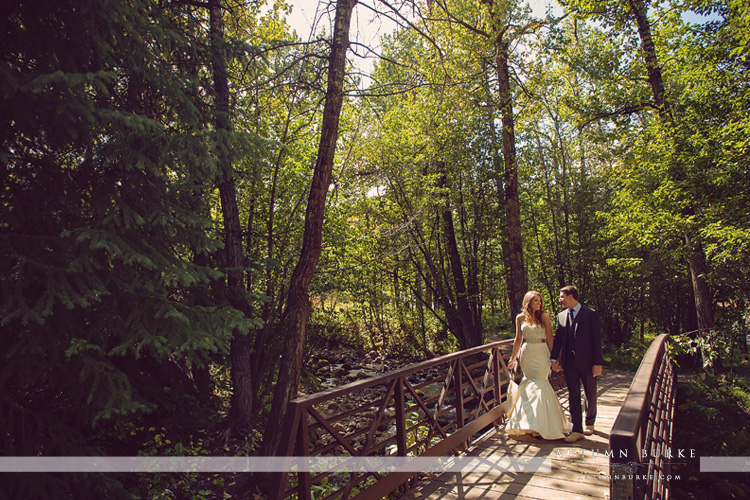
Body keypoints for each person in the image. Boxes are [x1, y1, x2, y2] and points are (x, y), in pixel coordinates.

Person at [505, 291, 572, 440]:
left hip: (541, 353)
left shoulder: (544, 316)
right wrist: (513, 358)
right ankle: (529, 423)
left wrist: (554, 358)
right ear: (528, 301)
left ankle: (542, 425)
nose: (539, 303)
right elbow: (517, 340)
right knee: (528, 385)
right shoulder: (520, 318)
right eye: (536, 301)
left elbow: (550, 338)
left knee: (540, 384)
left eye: (540, 301)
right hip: (527, 353)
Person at [550, 285, 604, 443]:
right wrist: (554, 359)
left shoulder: (590, 314)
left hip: (588, 362)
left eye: (562, 297)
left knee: (590, 392)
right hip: (569, 363)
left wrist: (598, 362)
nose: (560, 300)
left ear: (570, 296)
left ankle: (590, 421)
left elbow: (596, 340)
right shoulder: (560, 316)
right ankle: (577, 429)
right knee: (573, 394)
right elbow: (558, 340)